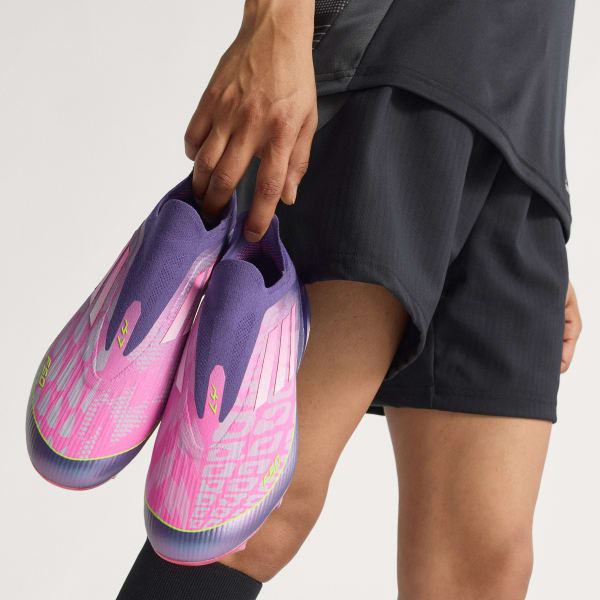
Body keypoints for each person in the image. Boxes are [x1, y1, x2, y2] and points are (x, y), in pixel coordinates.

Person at [118, 1, 582, 598]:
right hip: (391, 62)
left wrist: (516, 180)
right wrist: (273, 24)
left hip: (520, 137)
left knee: (481, 567)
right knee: (242, 506)